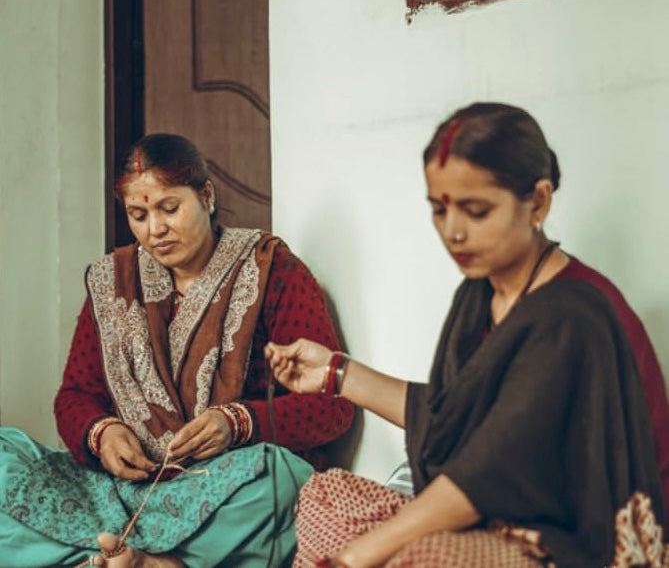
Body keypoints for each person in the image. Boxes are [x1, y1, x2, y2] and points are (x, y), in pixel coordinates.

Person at [265, 103, 669, 568]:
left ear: (537, 202)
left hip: (577, 534)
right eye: (440, 210)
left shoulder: (573, 314)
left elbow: (492, 470)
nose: (453, 232)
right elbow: (451, 424)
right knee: (325, 495)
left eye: (476, 211)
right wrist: (336, 372)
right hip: (491, 507)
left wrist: (354, 557)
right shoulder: (478, 297)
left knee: (423, 552)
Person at [0, 133, 354, 567]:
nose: (156, 229)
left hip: (220, 489)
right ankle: (130, 555)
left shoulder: (271, 271)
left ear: (206, 195)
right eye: (138, 214)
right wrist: (103, 433)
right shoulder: (113, 281)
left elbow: (333, 408)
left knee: (282, 478)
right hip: (122, 491)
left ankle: (119, 559)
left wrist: (238, 423)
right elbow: (74, 396)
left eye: (169, 208)